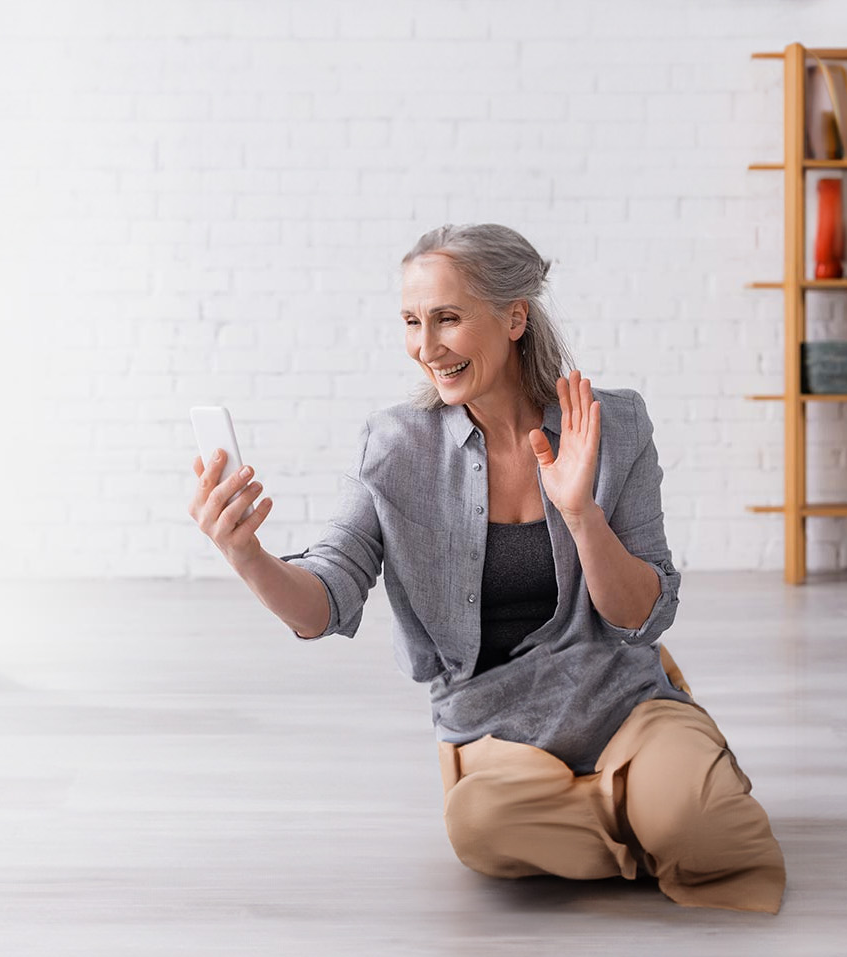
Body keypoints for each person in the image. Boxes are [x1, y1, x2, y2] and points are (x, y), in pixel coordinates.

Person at [185, 223, 786, 913]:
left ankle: (667, 794)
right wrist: (247, 554)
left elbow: (644, 612)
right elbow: (328, 597)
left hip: (620, 700)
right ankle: (659, 815)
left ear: (514, 318)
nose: (426, 345)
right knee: (482, 827)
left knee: (732, 848)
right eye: (412, 321)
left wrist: (581, 511)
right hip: (494, 731)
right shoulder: (394, 448)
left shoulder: (613, 427)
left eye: (448, 318)